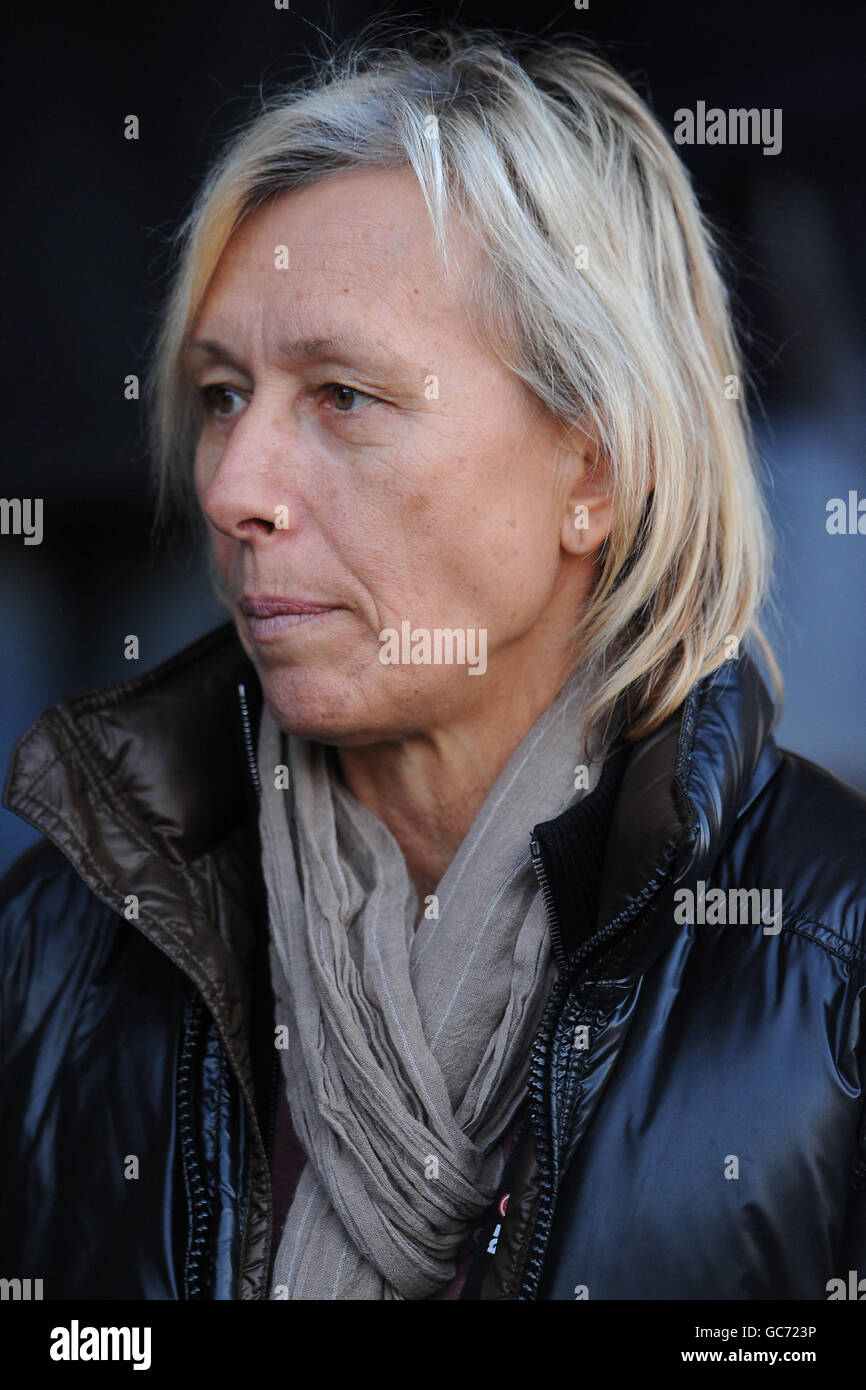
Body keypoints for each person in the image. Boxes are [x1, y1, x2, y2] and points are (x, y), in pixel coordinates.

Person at [2, 26, 865, 1302]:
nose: (235, 487)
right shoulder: (65, 939)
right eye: (225, 395)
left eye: (344, 396)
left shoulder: (826, 969)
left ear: (593, 468)